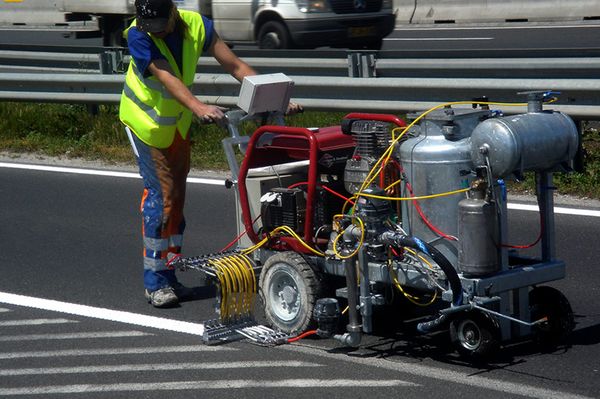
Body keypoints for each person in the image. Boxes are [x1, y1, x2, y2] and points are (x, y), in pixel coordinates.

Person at [119, 0, 259, 307]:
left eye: (160, 25)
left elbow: (234, 65)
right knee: (161, 199)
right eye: (149, 27)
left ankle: (170, 272)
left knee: (177, 202)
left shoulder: (196, 25)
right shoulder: (137, 35)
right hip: (147, 125)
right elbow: (167, 77)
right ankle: (154, 282)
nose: (155, 32)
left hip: (176, 125)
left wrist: (269, 93)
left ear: (173, 12)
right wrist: (199, 107)